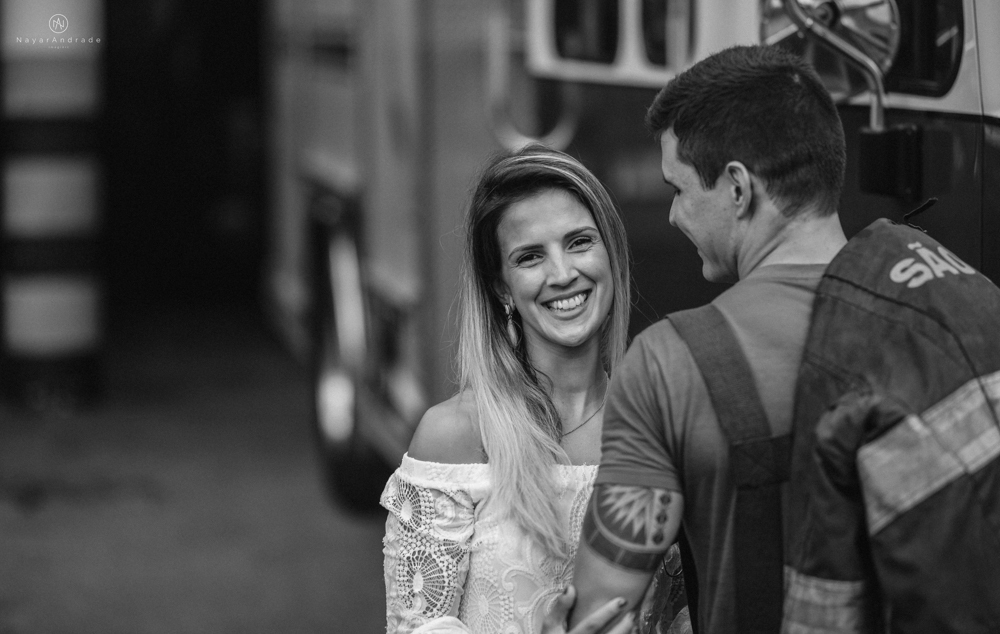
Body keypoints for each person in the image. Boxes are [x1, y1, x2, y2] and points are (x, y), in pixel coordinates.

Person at [569, 44, 849, 633]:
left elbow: (601, 613)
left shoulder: (670, 366)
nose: (672, 215)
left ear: (738, 189)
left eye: (678, 190)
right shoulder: (945, 311)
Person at [380, 144, 637, 634]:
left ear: (611, 253)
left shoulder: (657, 421)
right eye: (530, 256)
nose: (562, 275)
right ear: (501, 289)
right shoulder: (454, 434)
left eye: (580, 242)